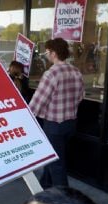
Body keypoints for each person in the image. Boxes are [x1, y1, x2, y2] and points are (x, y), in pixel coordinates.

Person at [29, 37, 84, 188]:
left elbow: (38, 101)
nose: (46, 55)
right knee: (53, 156)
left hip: (54, 126)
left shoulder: (51, 74)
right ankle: (45, 185)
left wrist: (26, 118)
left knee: (57, 164)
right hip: (70, 123)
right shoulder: (76, 71)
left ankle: (64, 200)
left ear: (53, 53)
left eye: (47, 51)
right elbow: (80, 97)